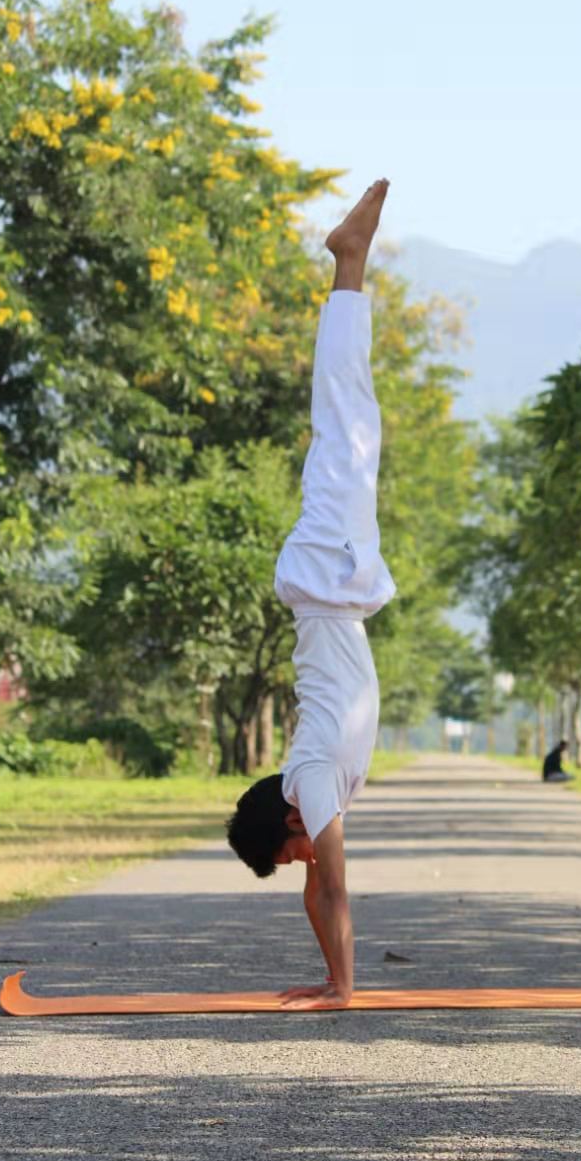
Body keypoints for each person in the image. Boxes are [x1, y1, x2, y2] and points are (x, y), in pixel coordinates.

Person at [226, 179, 395, 1012]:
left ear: (286, 827)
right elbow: (312, 893)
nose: (301, 861)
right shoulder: (306, 789)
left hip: (330, 573)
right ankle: (350, 264)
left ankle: (347, 261)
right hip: (330, 579)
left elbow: (330, 887)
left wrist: (344, 988)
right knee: (351, 421)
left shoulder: (312, 783)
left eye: (286, 854)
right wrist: (330, 977)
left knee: (346, 418)